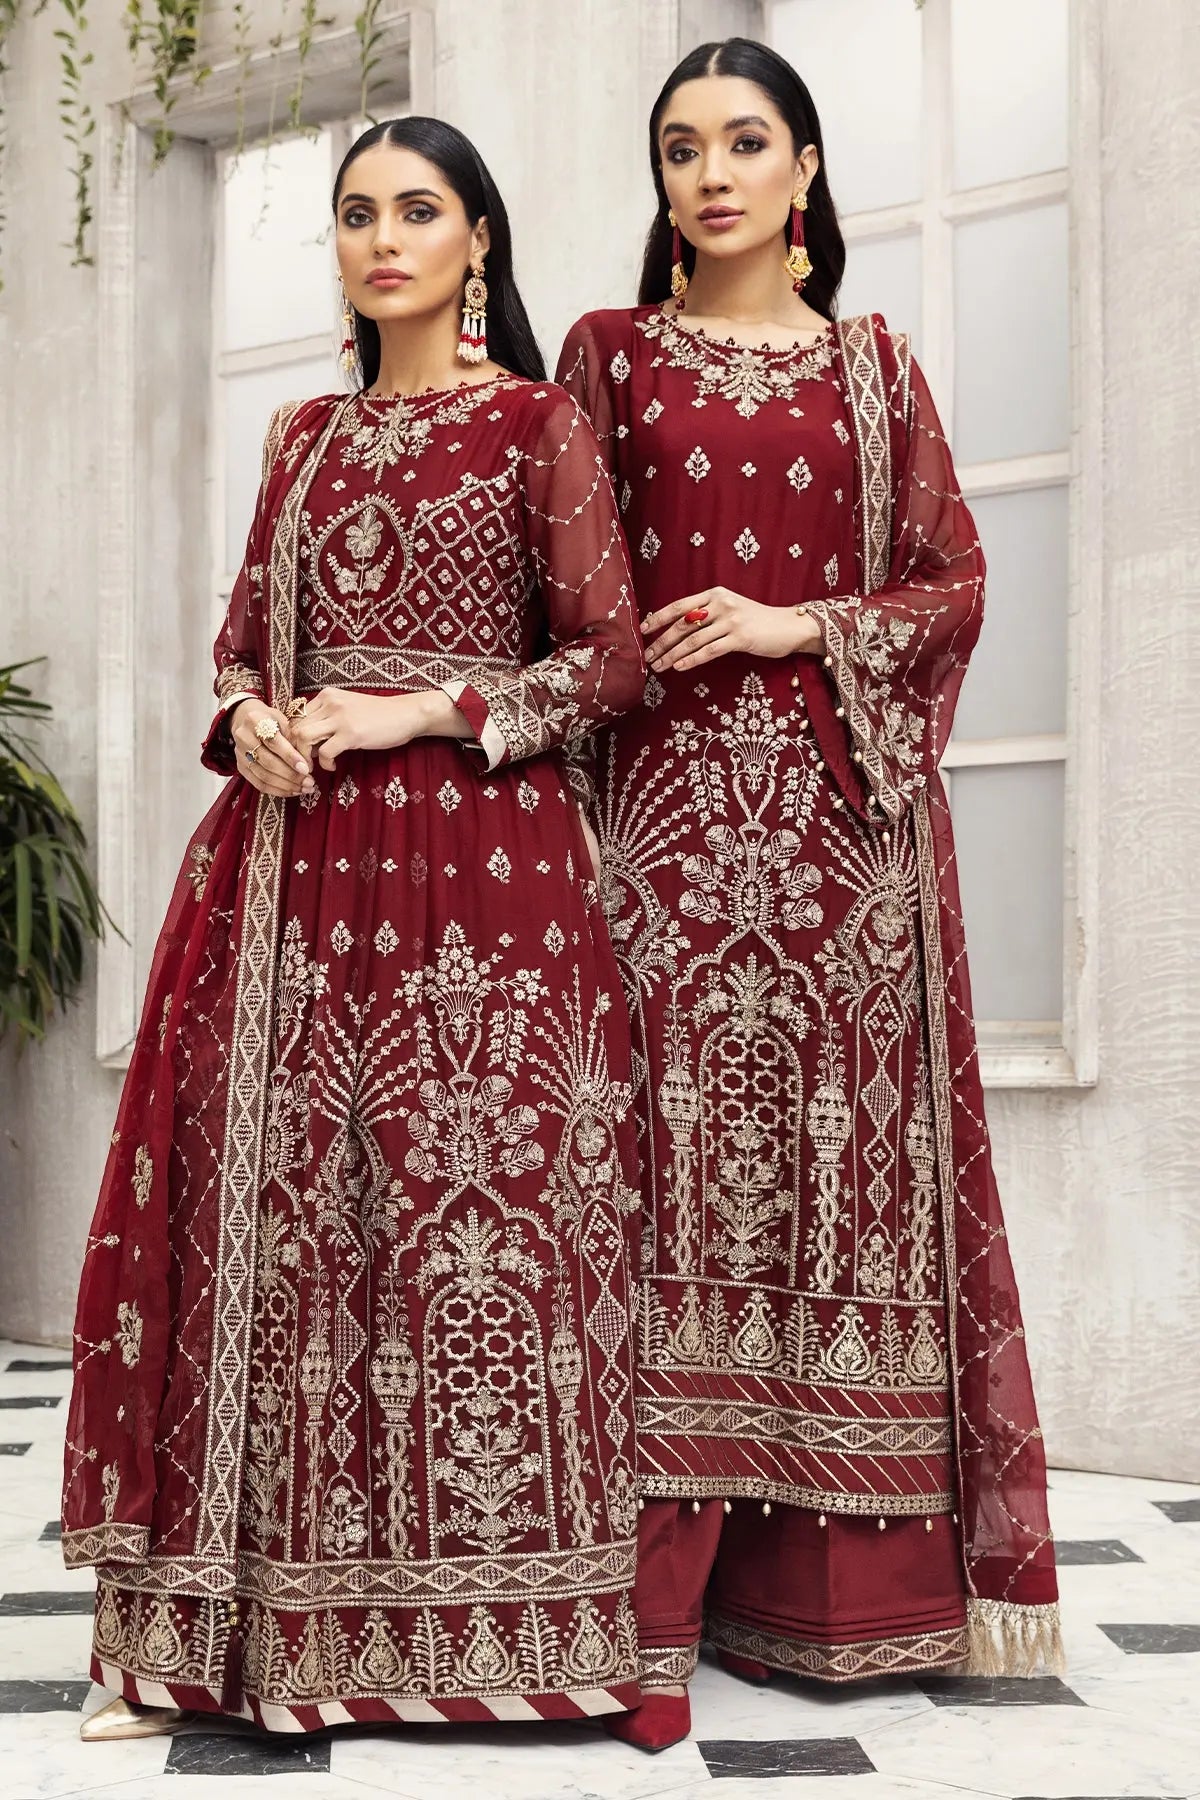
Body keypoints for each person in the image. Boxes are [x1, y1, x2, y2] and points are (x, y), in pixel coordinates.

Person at [63, 116, 646, 1739]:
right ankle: (196, 1641)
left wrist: (422, 710)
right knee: (264, 1223)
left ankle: (488, 1639)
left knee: (469, 1227)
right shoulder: (302, 436)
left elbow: (607, 662)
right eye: (356, 214)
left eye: (418, 210)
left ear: (478, 240)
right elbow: (243, 644)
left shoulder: (535, 425)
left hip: (484, 881)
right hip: (290, 872)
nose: (383, 239)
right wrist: (247, 719)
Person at [557, 38, 1061, 1752]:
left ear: (806, 169)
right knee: (660, 1191)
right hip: (660, 842)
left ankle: (836, 1606)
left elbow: (953, 582)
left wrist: (797, 625)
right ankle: (641, 1609)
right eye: (680, 147)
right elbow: (565, 595)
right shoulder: (610, 356)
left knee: (828, 1191)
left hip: (845, 856)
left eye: (745, 141)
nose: (711, 173)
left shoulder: (875, 368)